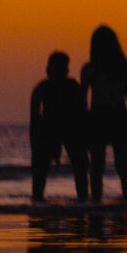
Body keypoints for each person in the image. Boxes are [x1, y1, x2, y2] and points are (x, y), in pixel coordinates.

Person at [80, 26, 127, 203]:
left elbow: (82, 97)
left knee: (97, 166)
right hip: (117, 115)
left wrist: (82, 121)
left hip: (99, 115)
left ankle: (96, 201)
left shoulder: (90, 68)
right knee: (122, 165)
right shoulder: (122, 66)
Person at [29, 52, 89, 204]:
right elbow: (83, 111)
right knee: (78, 168)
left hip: (65, 129)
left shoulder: (45, 87)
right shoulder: (50, 87)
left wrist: (34, 141)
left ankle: (38, 202)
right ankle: (82, 201)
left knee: (77, 167)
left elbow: (34, 119)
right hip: (58, 129)